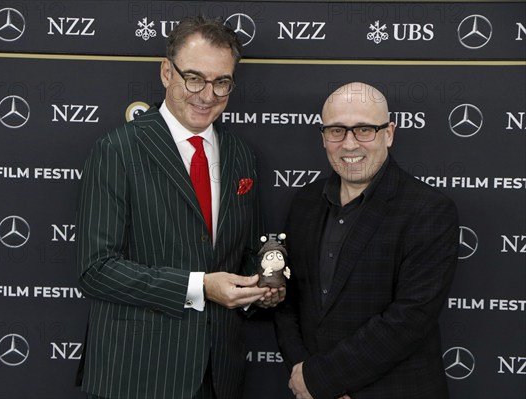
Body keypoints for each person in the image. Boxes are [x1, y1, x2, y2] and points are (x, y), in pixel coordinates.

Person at [76, 16, 282, 399]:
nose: (207, 95)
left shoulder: (241, 155)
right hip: (137, 375)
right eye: (195, 78)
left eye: (222, 82)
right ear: (166, 72)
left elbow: (247, 251)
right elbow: (96, 268)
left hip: (219, 374)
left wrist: (262, 288)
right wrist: (200, 287)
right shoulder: (117, 150)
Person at [274, 82, 459, 399]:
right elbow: (287, 301)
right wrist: (305, 375)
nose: (348, 144)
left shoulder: (429, 211)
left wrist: (323, 380)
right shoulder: (304, 203)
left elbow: (409, 320)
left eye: (363, 130)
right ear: (323, 137)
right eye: (336, 131)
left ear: (389, 133)